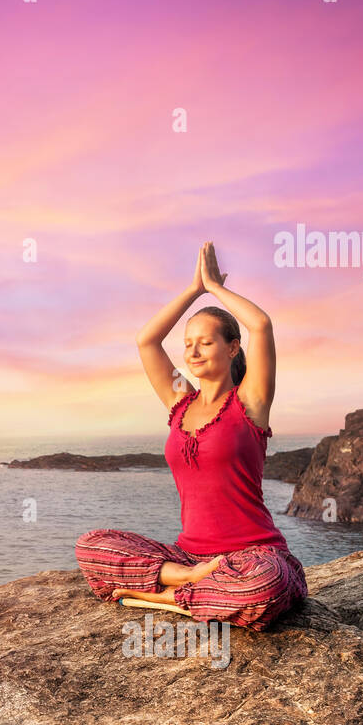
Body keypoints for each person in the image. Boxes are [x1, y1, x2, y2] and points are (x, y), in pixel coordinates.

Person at [74, 242, 308, 631]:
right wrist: (192, 290)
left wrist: (215, 288)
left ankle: (165, 598)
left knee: (266, 583)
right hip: (188, 557)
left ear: (233, 348)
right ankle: (187, 583)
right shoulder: (180, 400)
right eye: (187, 344)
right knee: (91, 544)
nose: (193, 351)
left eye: (205, 341)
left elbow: (261, 325)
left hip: (253, 555)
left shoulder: (249, 401)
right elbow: (146, 341)